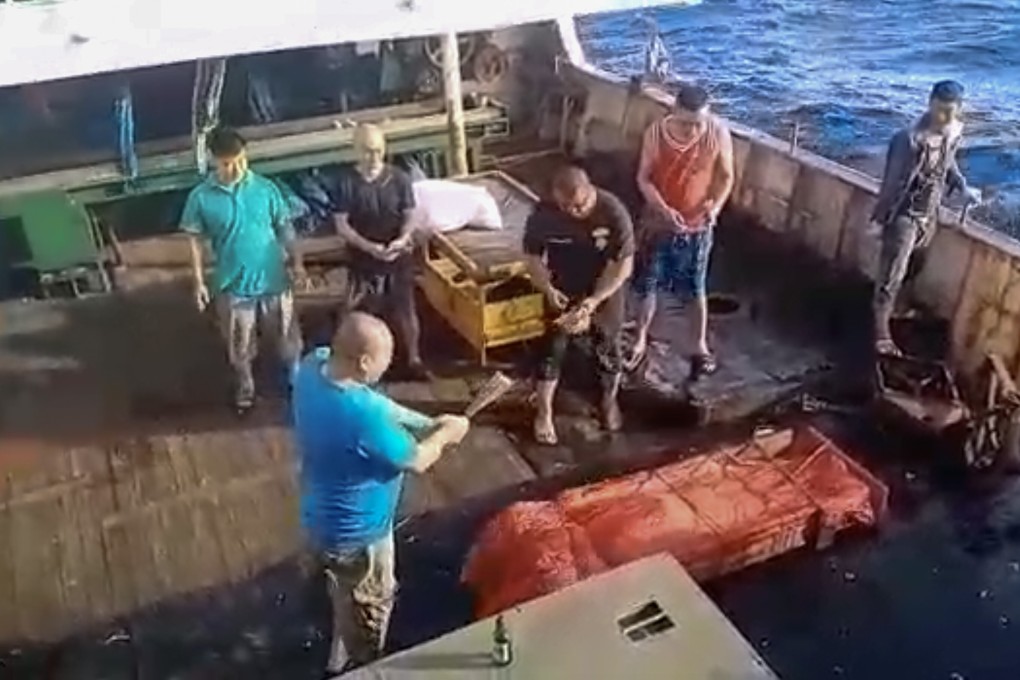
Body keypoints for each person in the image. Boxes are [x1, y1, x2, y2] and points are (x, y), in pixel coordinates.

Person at [292, 312, 470, 675]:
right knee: (370, 608)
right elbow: (418, 459)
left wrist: (425, 422)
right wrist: (449, 433)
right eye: (384, 361)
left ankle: (337, 653)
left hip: (317, 518)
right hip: (362, 536)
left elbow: (377, 403)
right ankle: (362, 664)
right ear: (364, 362)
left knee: (340, 587)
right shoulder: (362, 417)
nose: (386, 369)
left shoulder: (313, 366)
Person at [180, 126, 306, 413]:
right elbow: (194, 242)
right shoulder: (200, 198)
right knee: (240, 343)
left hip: (274, 279)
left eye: (240, 160)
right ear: (213, 160)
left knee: (287, 334)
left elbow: (285, 227)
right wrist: (199, 282)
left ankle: (296, 379)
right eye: (227, 163)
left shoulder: (265, 188)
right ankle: (246, 385)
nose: (235, 167)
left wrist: (298, 263)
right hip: (233, 284)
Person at [628, 83, 734, 380]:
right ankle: (638, 339)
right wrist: (663, 210)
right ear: (674, 112)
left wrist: (715, 206)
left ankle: (699, 346)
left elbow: (726, 177)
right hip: (657, 222)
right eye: (686, 124)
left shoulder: (718, 133)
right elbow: (644, 178)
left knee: (695, 287)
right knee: (647, 283)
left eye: (698, 125)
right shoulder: (656, 134)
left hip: (698, 226)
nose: (692, 132)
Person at [524, 166, 635, 445]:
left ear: (591, 192)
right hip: (561, 285)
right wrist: (547, 288)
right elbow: (533, 257)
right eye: (566, 206)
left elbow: (622, 265)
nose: (573, 212)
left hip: (603, 287)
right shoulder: (543, 214)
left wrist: (593, 302)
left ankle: (608, 402)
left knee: (608, 346)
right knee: (551, 349)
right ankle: (544, 413)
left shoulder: (613, 212)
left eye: (580, 205)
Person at [871, 80, 981, 356]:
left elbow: (948, 161)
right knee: (891, 277)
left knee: (916, 266)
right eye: (939, 110)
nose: (944, 117)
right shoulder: (908, 140)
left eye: (950, 112)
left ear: (959, 110)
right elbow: (892, 184)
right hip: (904, 216)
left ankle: (896, 307)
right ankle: (880, 334)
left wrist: (961, 185)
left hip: (929, 216)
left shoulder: (952, 131)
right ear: (929, 103)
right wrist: (881, 220)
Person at [330, 123, 425, 379]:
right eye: (368, 151)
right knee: (356, 312)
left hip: (397, 257)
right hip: (362, 260)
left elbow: (411, 215)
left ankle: (414, 359)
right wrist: (369, 247)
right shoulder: (346, 183)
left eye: (378, 151)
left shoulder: (400, 179)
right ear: (356, 151)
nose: (374, 157)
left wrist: (403, 238)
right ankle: (349, 360)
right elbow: (342, 225)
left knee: (406, 310)